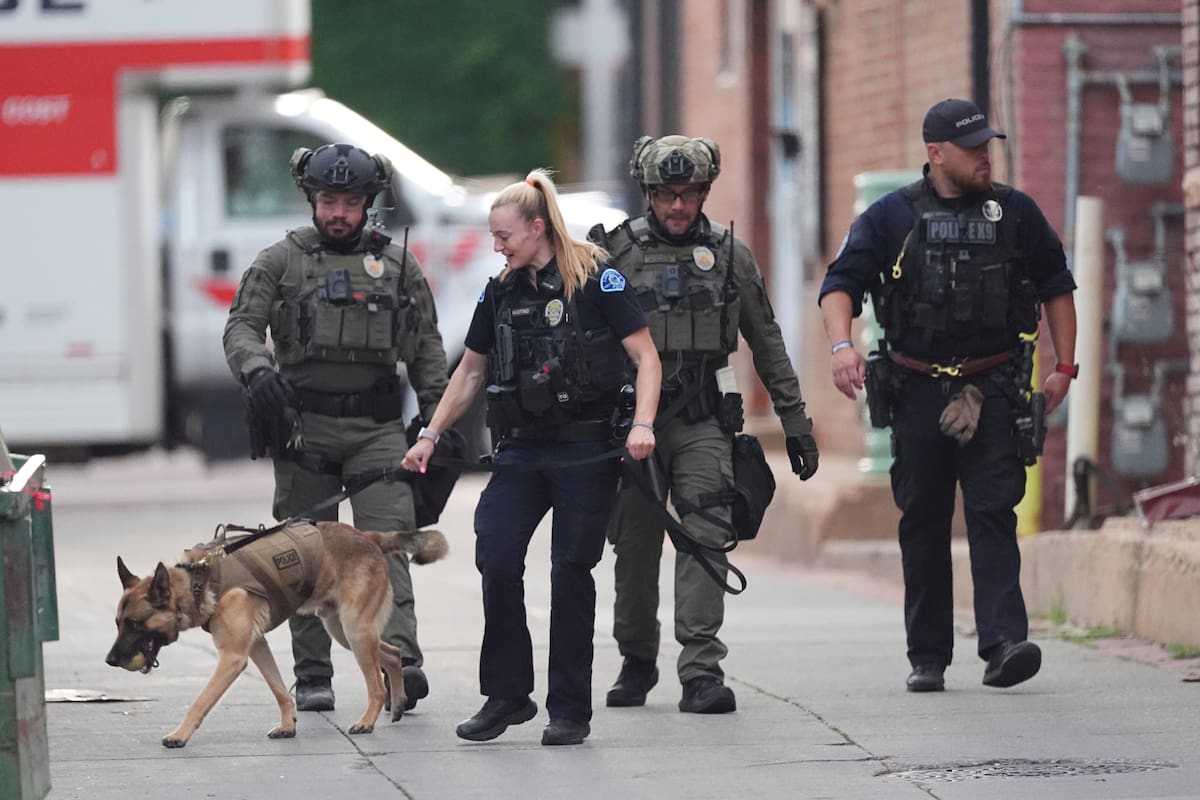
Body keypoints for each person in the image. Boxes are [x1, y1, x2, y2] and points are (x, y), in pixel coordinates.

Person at [818, 99, 1078, 692]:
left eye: (988, 145)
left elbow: (1056, 287)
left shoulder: (1015, 214)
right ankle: (928, 656)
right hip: (914, 387)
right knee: (924, 519)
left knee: (992, 512)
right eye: (972, 148)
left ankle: (1004, 643)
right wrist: (841, 348)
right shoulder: (891, 217)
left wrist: (1065, 366)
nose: (985, 155)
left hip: (993, 385)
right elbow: (840, 285)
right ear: (935, 154)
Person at [401, 169, 661, 746]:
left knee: (570, 572)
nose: (496, 246)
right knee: (495, 553)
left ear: (538, 227)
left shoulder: (600, 279)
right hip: (521, 448)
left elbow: (646, 357)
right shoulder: (500, 291)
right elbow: (469, 369)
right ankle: (507, 695)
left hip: (587, 449)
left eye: (503, 236)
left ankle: (569, 709)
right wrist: (430, 433)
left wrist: (642, 425)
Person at [592, 135, 819, 715]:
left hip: (700, 418)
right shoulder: (611, 255)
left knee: (705, 530)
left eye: (689, 194)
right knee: (636, 544)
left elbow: (766, 342)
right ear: (648, 193)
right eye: (666, 194)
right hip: (632, 419)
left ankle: (700, 671)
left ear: (705, 192)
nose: (677, 206)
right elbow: (583, 340)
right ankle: (637, 659)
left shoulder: (729, 255)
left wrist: (795, 422)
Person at [223, 143, 448, 712]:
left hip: (378, 429)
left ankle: (401, 665)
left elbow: (425, 348)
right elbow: (242, 327)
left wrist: (437, 418)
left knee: (388, 546)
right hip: (305, 427)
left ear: (369, 202)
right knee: (300, 556)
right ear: (311, 200)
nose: (339, 212)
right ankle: (314, 675)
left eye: (351, 201)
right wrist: (256, 372)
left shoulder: (398, 265)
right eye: (329, 200)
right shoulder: (281, 260)